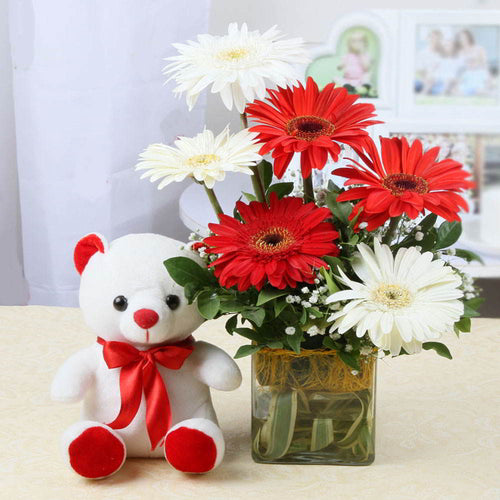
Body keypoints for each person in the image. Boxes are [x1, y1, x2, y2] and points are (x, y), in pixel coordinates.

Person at [454, 29, 490, 96]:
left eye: (464, 37)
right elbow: (459, 69)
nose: (462, 39)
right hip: (466, 76)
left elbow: (485, 64)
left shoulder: (479, 48)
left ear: (469, 37)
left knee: (480, 90)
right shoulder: (459, 52)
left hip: (478, 74)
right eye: (460, 38)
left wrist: (488, 79)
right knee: (459, 91)